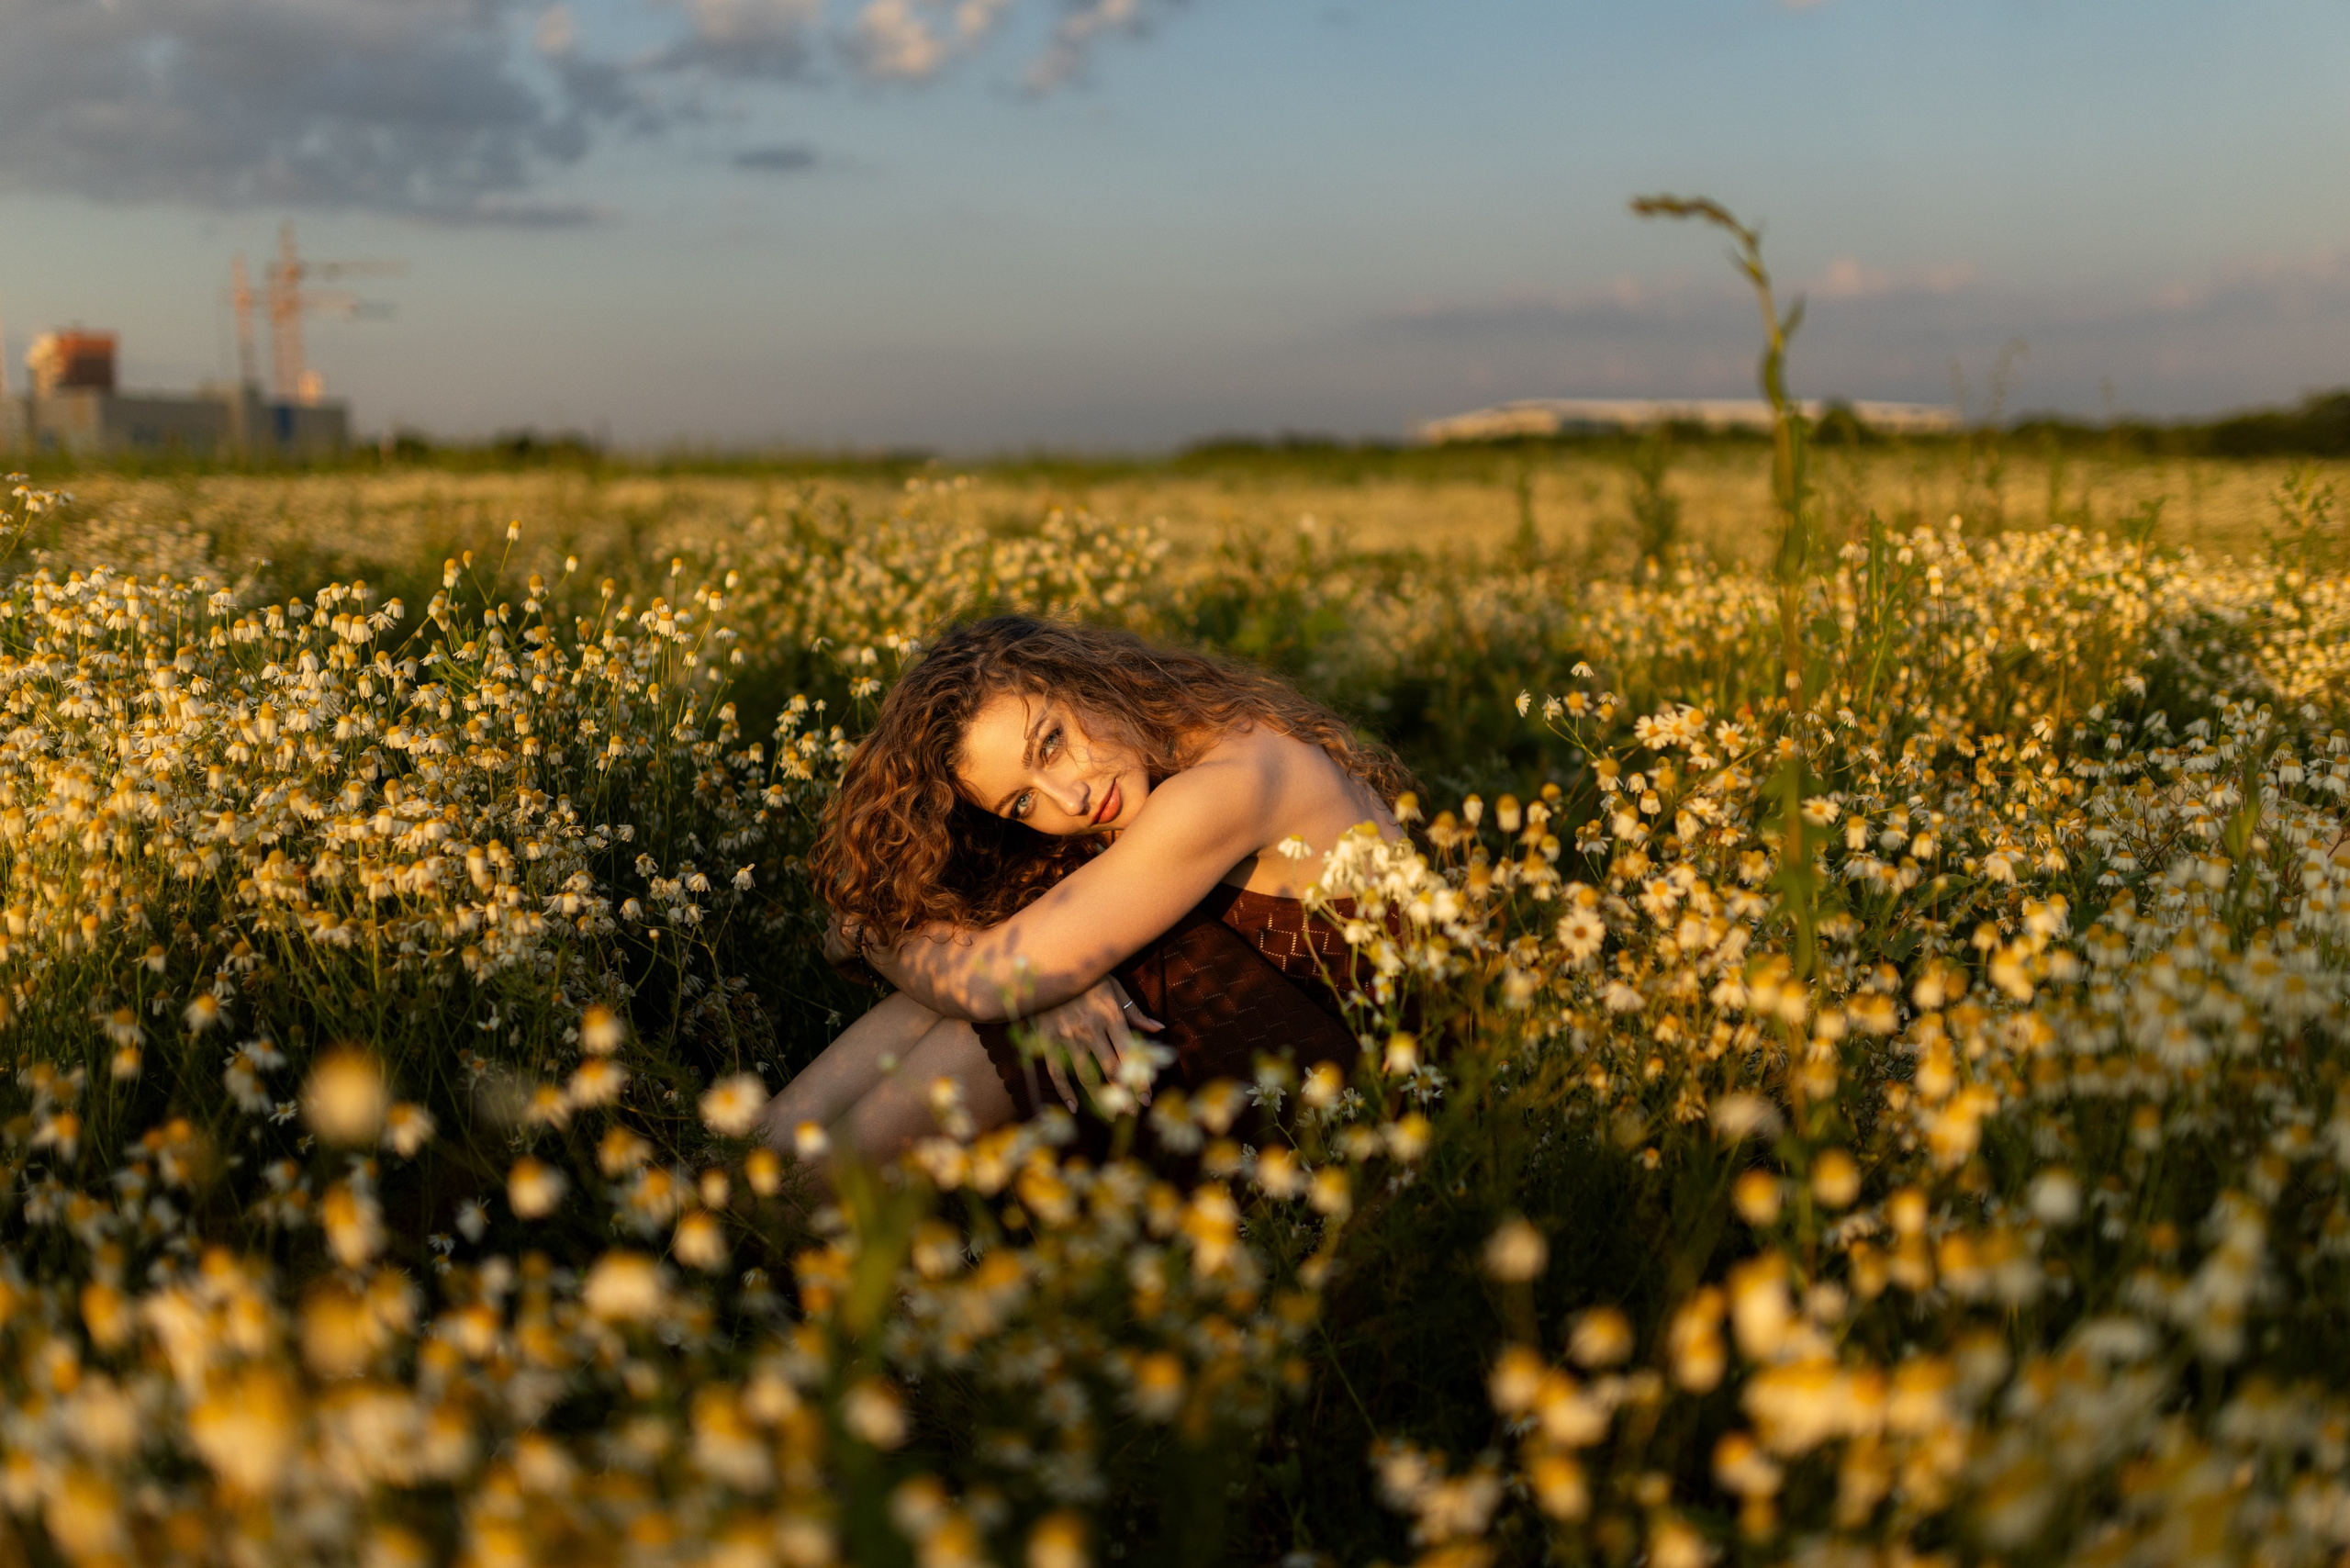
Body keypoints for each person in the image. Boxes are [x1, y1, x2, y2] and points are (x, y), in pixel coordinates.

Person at [760, 614, 1410, 1167]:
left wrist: (871, 935)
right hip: (1293, 1066)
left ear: (1086, 682)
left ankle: (764, 1207)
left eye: (1051, 743)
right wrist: (1049, 985)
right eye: (1021, 804)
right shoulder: (1164, 748)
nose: (1070, 797)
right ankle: (749, 1174)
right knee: (1006, 1000)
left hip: (1382, 1104)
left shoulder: (1228, 781)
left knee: (1014, 1011)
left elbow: (987, 982)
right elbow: (1009, 966)